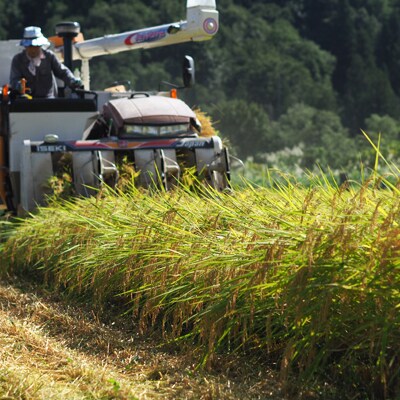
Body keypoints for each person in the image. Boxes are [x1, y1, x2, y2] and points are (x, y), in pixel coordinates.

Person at [9, 26, 82, 98]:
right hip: (26, 100)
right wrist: (18, 85)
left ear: (40, 45)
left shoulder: (49, 56)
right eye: (30, 46)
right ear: (25, 46)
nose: (33, 50)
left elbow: (62, 72)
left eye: (36, 46)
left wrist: (72, 80)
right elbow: (14, 79)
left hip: (48, 98)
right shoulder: (18, 59)